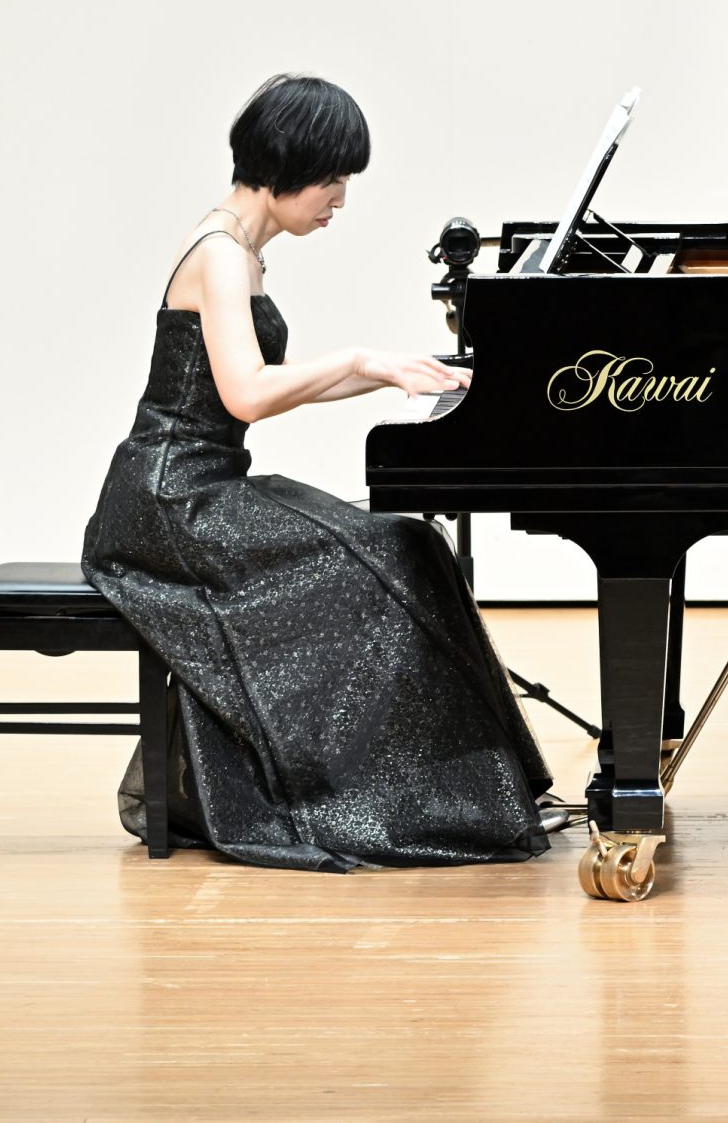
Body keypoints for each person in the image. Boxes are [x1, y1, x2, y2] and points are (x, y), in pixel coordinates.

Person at [80, 74, 552, 870]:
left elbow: (266, 382)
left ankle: (457, 792)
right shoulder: (220, 254)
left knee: (409, 546)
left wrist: (397, 371)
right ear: (285, 166)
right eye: (332, 178)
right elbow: (249, 393)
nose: (340, 197)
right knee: (395, 551)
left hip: (198, 489)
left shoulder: (240, 248)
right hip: (169, 502)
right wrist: (360, 358)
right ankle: (394, 798)